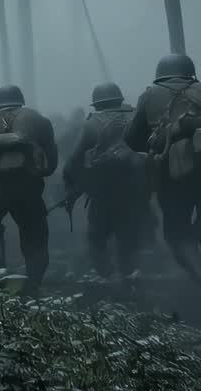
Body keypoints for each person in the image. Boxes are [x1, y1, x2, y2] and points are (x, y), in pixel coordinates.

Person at [124, 53, 201, 297]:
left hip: (171, 175)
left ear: (161, 73)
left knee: (176, 227)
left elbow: (131, 138)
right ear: (189, 71)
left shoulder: (150, 95)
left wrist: (156, 145)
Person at [0, 85, 58, 296]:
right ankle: (33, 285)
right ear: (20, 100)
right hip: (28, 186)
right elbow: (51, 165)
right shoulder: (40, 121)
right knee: (35, 234)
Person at [62, 83, 145, 280]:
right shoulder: (138, 117)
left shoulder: (92, 124)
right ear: (119, 98)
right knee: (129, 235)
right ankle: (130, 274)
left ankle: (109, 277)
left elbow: (74, 160)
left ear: (97, 103)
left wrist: (70, 187)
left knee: (96, 236)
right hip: (136, 188)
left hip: (103, 191)